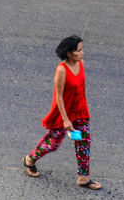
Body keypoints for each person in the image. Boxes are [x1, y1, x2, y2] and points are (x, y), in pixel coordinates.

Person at [22, 36, 102, 190]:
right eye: (79, 50)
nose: (82, 53)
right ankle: (30, 159)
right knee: (53, 143)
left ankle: (83, 178)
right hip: (64, 113)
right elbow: (58, 96)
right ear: (69, 53)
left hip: (79, 111)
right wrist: (66, 120)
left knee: (83, 142)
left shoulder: (81, 64)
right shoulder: (61, 70)